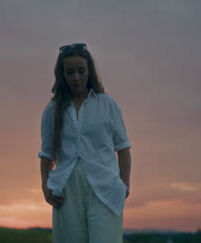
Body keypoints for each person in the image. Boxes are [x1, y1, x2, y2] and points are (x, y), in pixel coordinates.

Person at [38, 42, 132, 243]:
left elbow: (123, 147)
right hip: (67, 191)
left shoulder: (107, 104)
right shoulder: (53, 109)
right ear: (62, 74)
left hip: (105, 189)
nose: (76, 77)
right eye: (70, 72)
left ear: (89, 71)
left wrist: (124, 184)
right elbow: (46, 153)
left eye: (81, 71)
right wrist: (45, 187)